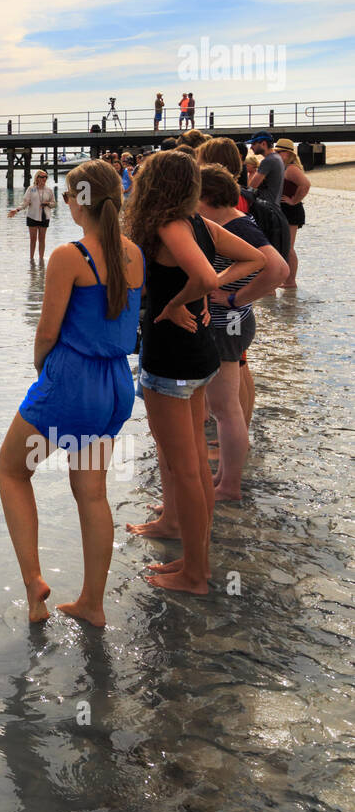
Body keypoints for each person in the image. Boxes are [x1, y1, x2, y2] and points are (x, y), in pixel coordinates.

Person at [0, 160, 144, 626]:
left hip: (73, 380)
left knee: (12, 472)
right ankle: (92, 604)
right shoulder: (134, 254)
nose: (63, 203)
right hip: (117, 385)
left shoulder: (69, 256)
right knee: (91, 493)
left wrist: (45, 372)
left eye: (65, 195)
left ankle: (35, 587)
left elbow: (46, 332)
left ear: (79, 201)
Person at [123, 151, 264, 594]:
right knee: (190, 465)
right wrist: (201, 295)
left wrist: (176, 302)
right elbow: (254, 260)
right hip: (199, 355)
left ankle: (196, 573)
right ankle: (177, 531)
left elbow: (205, 275)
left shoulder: (169, 226)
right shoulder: (199, 224)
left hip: (173, 359)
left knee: (184, 467)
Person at [197, 164, 288, 501]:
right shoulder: (233, 221)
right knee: (227, 407)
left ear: (206, 197)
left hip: (229, 324)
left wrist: (234, 298)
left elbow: (278, 268)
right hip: (230, 323)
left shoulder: (237, 225)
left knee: (226, 409)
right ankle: (224, 479)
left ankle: (230, 485)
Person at [274, 138, 309, 287]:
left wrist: (294, 200)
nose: (277, 155)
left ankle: (291, 281)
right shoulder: (286, 167)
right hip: (287, 210)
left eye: (280, 152)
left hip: (292, 210)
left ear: (288, 154)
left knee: (288, 247)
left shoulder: (292, 169)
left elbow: (306, 185)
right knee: (285, 246)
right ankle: (287, 279)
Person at [8, 169, 55, 261]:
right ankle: (31, 260)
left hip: (44, 217)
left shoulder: (49, 190)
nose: (44, 179)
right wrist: (16, 210)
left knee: (42, 239)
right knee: (33, 240)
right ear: (37, 178)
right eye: (42, 177)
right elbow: (25, 203)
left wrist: (48, 204)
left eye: (46, 177)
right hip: (32, 217)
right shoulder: (31, 189)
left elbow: (54, 204)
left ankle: (41, 260)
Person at [247, 133, 285, 205]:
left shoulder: (268, 160)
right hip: (274, 205)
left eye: (253, 144)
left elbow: (252, 187)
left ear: (263, 144)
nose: (251, 147)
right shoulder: (277, 157)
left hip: (266, 207)